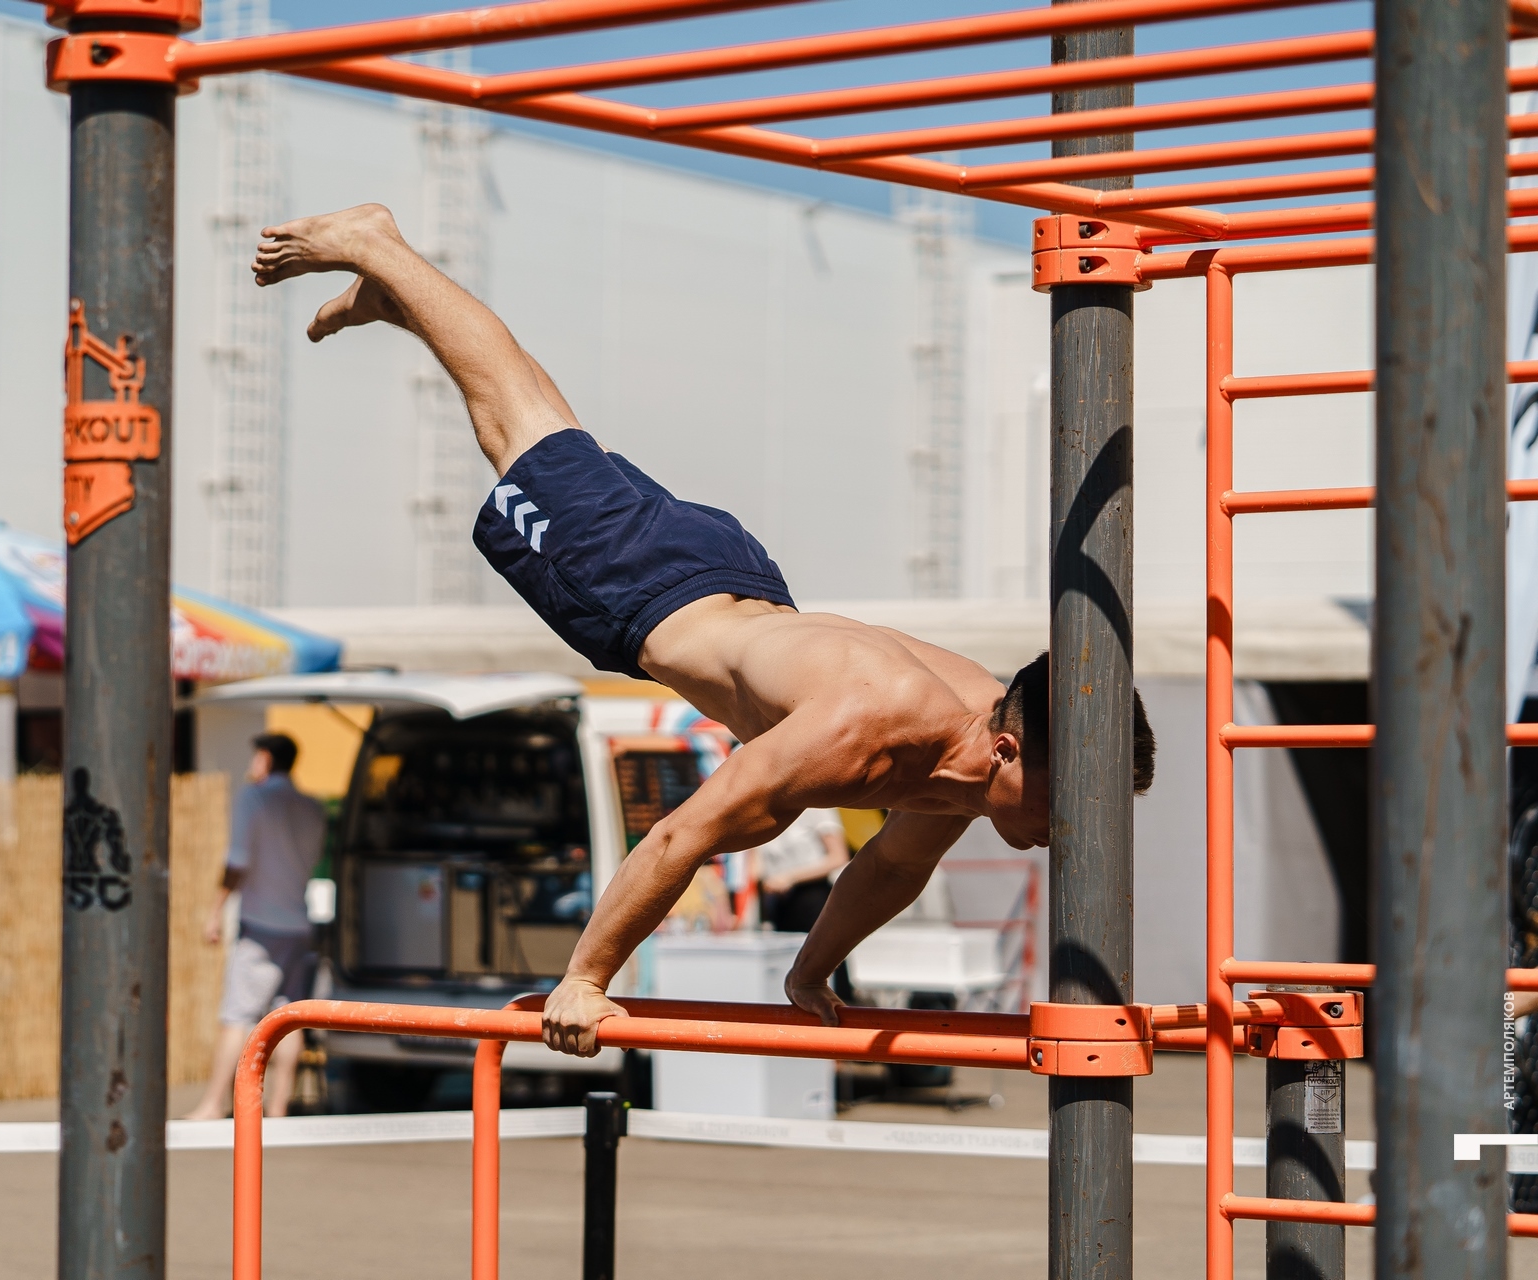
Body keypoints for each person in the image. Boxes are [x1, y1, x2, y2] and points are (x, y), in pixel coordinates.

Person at [251, 203, 1155, 1059]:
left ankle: (402, 300)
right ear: (1008, 749)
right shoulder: (865, 727)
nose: (1070, 834)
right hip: (647, 592)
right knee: (513, 425)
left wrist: (810, 970)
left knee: (550, 434)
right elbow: (679, 836)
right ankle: (379, 244)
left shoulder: (967, 761)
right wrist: (586, 979)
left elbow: (891, 868)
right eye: (1064, 807)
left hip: (733, 582)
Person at [185, 733, 327, 1120]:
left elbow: (237, 861)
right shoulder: (312, 807)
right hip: (299, 923)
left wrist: (215, 910)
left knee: (237, 1015)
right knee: (290, 1016)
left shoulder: (254, 799)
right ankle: (279, 1106)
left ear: (265, 759)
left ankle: (213, 1104)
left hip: (262, 923)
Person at [753, 807, 850, 936]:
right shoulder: (766, 813)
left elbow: (838, 857)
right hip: (779, 905)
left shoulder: (817, 808)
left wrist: (790, 877)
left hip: (813, 900)